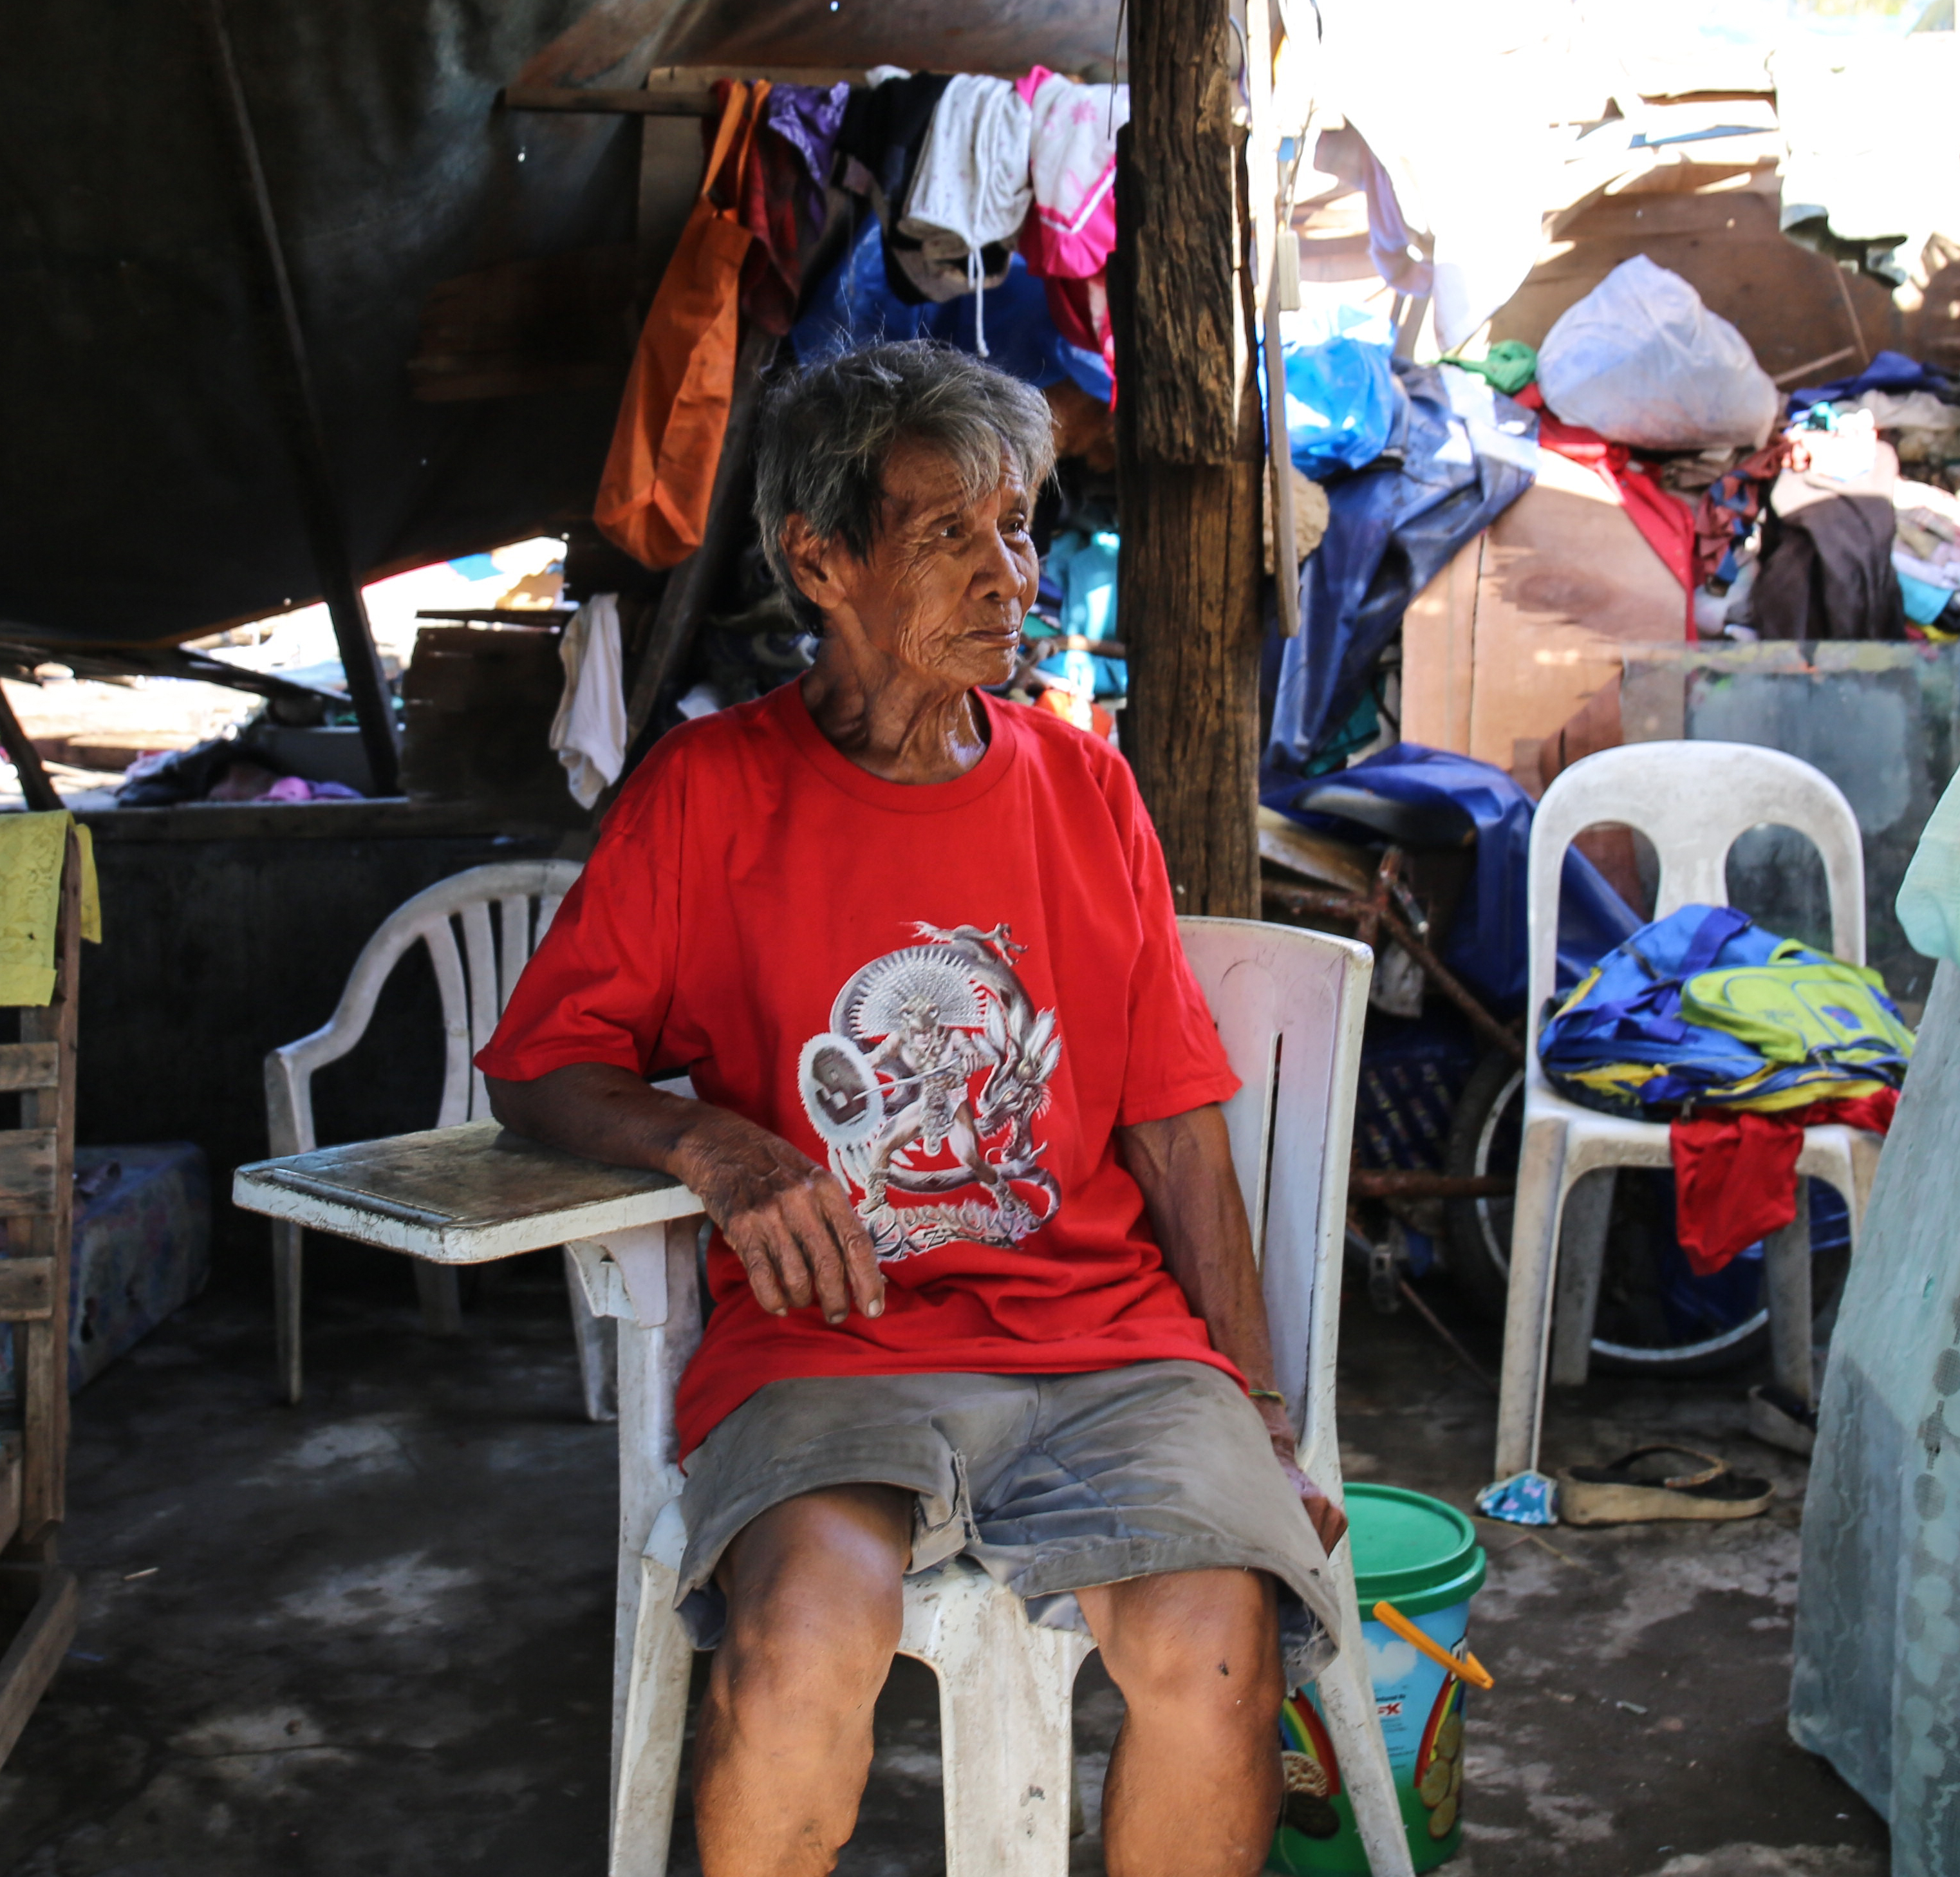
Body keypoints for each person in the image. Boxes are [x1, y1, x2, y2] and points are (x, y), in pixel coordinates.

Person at [480, 341, 1343, 1877]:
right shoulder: (703, 793)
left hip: (1108, 1347)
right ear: (820, 561)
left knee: (1222, 1652)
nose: (1012, 575)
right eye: (951, 534)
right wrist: (712, 1142)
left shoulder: (1085, 791)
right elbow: (542, 1063)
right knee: (803, 1644)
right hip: (828, 1349)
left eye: (1017, 527)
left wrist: (1266, 1417)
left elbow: (1175, 1126)